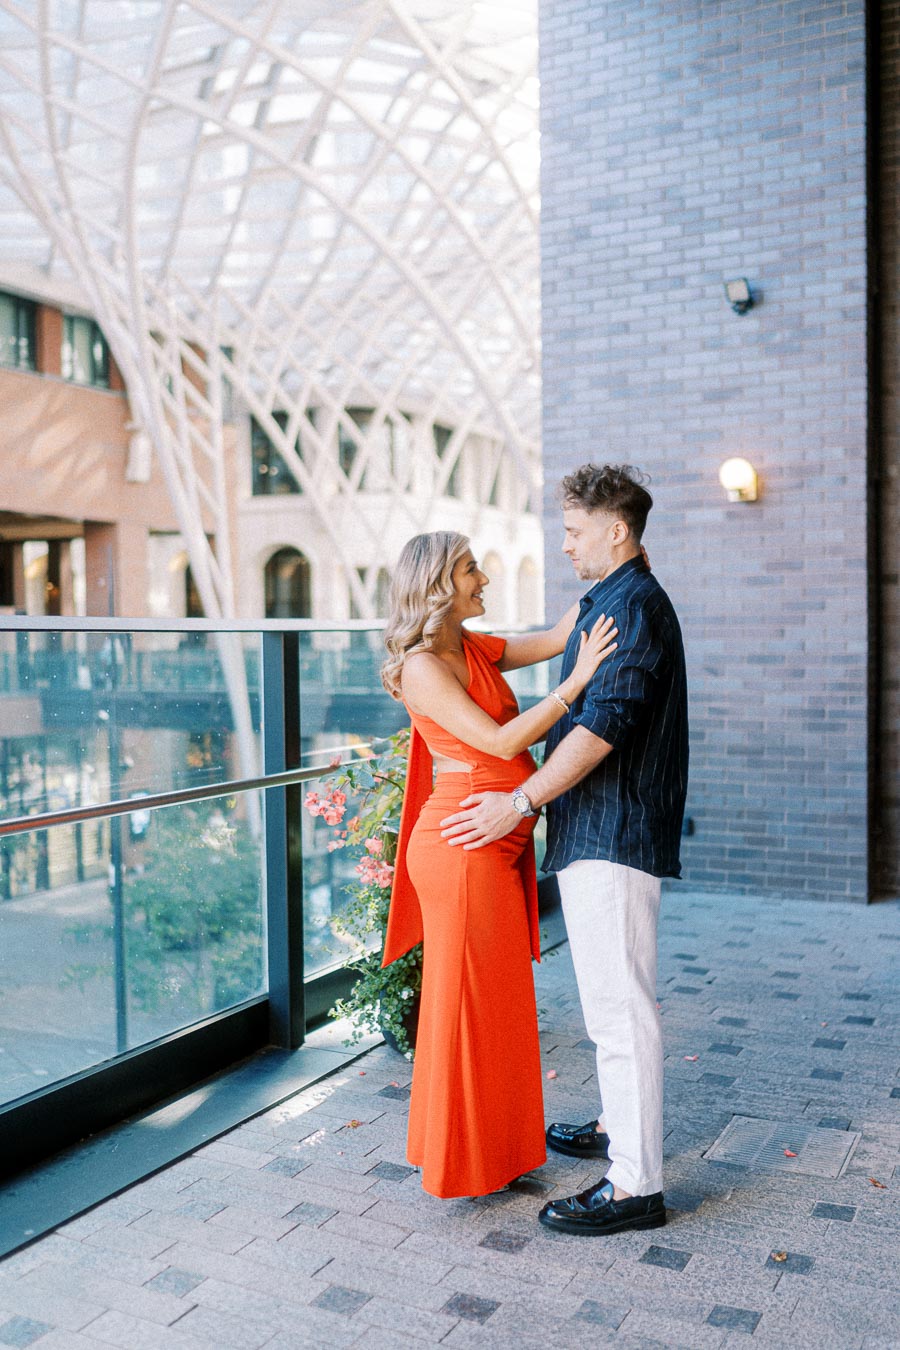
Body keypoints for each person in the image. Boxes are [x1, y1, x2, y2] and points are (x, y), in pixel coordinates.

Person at [440, 465, 688, 1235]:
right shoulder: (611, 598)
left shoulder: (632, 607)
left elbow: (601, 728)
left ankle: (635, 1187)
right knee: (611, 1004)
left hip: (613, 832)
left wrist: (519, 802)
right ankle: (619, 1128)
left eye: (575, 531)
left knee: (619, 1012)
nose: (566, 544)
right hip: (598, 830)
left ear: (616, 530)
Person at [380, 531, 618, 1199]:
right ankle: (462, 1161)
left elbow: (556, 636)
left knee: (496, 1006)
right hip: (462, 846)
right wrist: (576, 683)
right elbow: (500, 739)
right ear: (437, 585)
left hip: (493, 840)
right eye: (469, 569)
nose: (483, 578)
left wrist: (612, 569)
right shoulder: (424, 665)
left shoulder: (471, 646)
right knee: (468, 1007)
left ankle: (490, 1153)